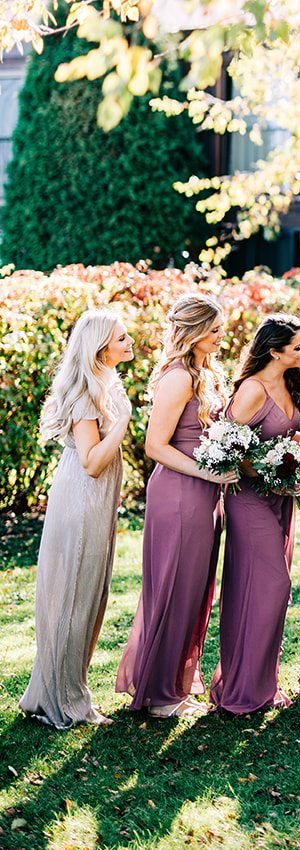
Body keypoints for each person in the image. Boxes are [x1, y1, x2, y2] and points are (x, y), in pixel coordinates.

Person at [117, 293, 231, 720]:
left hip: (205, 494)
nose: (222, 336)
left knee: (195, 589)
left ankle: (175, 683)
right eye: (216, 329)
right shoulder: (179, 377)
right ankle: (160, 693)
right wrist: (209, 473)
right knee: (174, 588)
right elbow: (154, 446)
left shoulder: (205, 373)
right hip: (180, 494)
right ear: (196, 331)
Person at [21, 311, 134, 728]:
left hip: (96, 500)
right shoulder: (88, 394)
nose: (130, 342)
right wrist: (121, 424)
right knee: (74, 596)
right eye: (122, 338)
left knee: (90, 594)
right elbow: (91, 462)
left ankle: (58, 690)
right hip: (83, 497)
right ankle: (64, 702)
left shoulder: (106, 382)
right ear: (101, 347)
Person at [209, 314, 300, 715]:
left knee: (266, 590)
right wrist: (271, 470)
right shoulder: (252, 389)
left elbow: (285, 434)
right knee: (271, 586)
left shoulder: (287, 382)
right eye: (299, 346)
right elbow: (226, 448)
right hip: (249, 499)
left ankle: (259, 686)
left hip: (279, 498)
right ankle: (241, 690)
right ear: (275, 351)